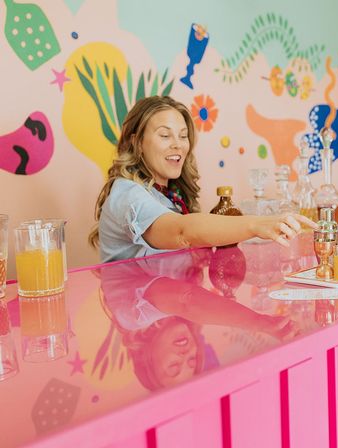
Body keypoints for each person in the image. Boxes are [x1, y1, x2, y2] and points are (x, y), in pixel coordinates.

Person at [88, 96, 316, 262]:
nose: (178, 144)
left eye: (183, 136)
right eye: (165, 135)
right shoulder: (127, 193)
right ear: (137, 142)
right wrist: (255, 224)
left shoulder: (171, 197)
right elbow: (182, 233)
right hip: (139, 325)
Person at [98, 249, 298, 390]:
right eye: (192, 360)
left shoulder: (131, 314)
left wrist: (260, 322)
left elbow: (187, 299)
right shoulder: (176, 318)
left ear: (148, 360)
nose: (185, 355)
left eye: (174, 366)